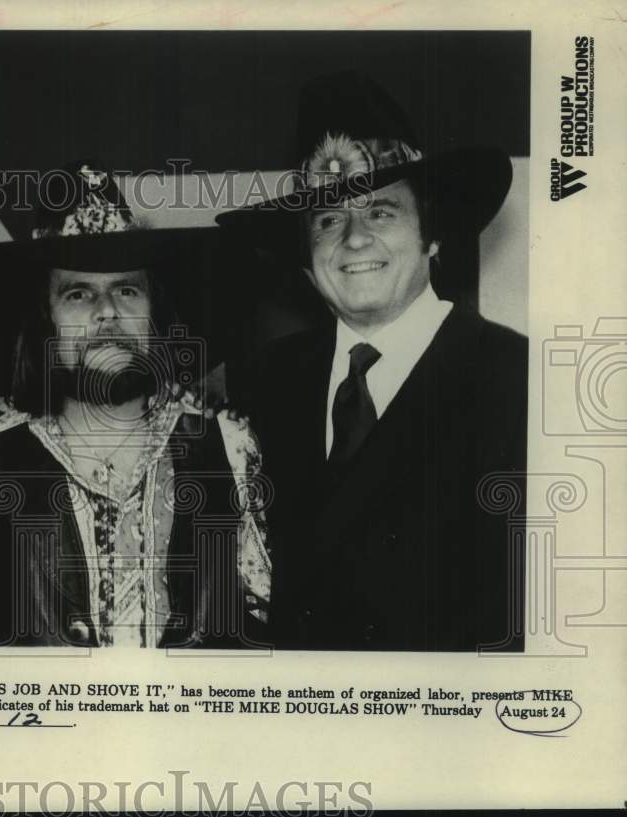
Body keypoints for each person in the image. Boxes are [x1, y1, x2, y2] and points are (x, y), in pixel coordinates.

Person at [218, 72, 527, 651]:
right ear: (307, 261)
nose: (354, 239)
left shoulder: (517, 381)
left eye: (381, 212)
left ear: (435, 236)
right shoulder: (268, 381)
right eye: (329, 219)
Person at [0, 162, 270, 648]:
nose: (107, 312)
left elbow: (266, 630)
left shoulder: (227, 448)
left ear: (155, 313)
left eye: (127, 289)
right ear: (46, 321)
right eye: (78, 293)